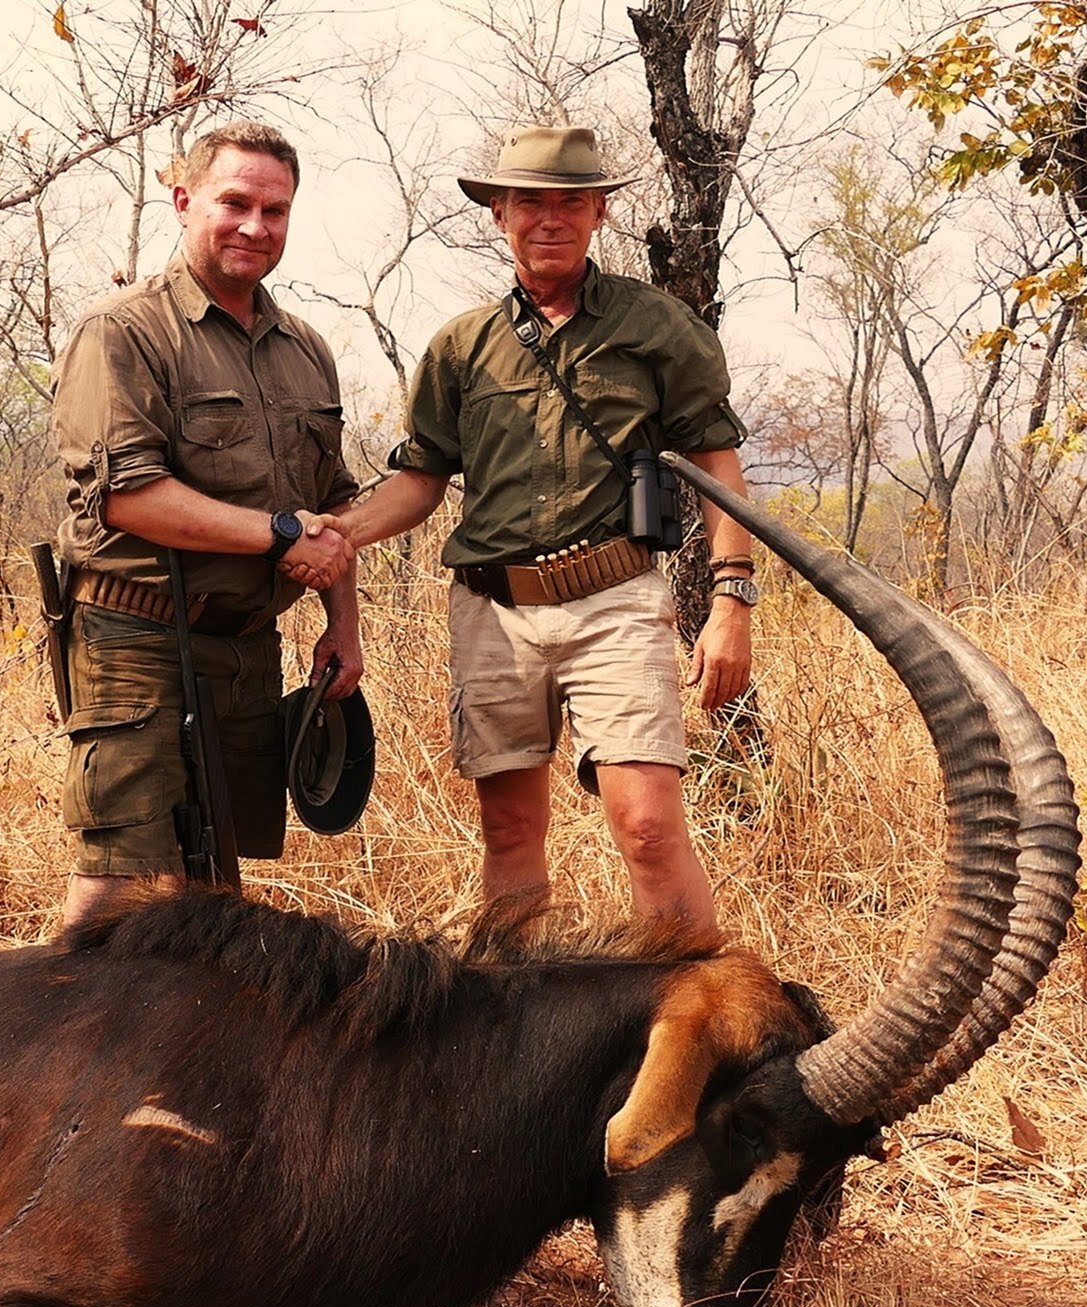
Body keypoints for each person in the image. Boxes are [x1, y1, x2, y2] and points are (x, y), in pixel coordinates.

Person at [334, 126, 757, 934]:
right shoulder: (462, 345)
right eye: (530, 201)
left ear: (600, 211)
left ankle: (702, 1021)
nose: (549, 219)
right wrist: (336, 535)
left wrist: (731, 602)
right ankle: (514, 1031)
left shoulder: (655, 325)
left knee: (648, 826)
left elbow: (717, 465)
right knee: (510, 831)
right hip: (494, 611)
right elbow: (421, 479)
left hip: (616, 602)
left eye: (570, 202)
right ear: (499, 212)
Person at [50, 122, 361, 927]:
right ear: (185, 200)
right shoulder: (123, 332)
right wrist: (281, 535)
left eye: (276, 209)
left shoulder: (308, 350)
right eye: (235, 202)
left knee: (216, 896)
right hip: (136, 639)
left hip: (249, 652)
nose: (256, 226)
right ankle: (60, 1048)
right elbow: (128, 497)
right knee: (120, 889)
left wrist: (343, 628)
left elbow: (336, 508)